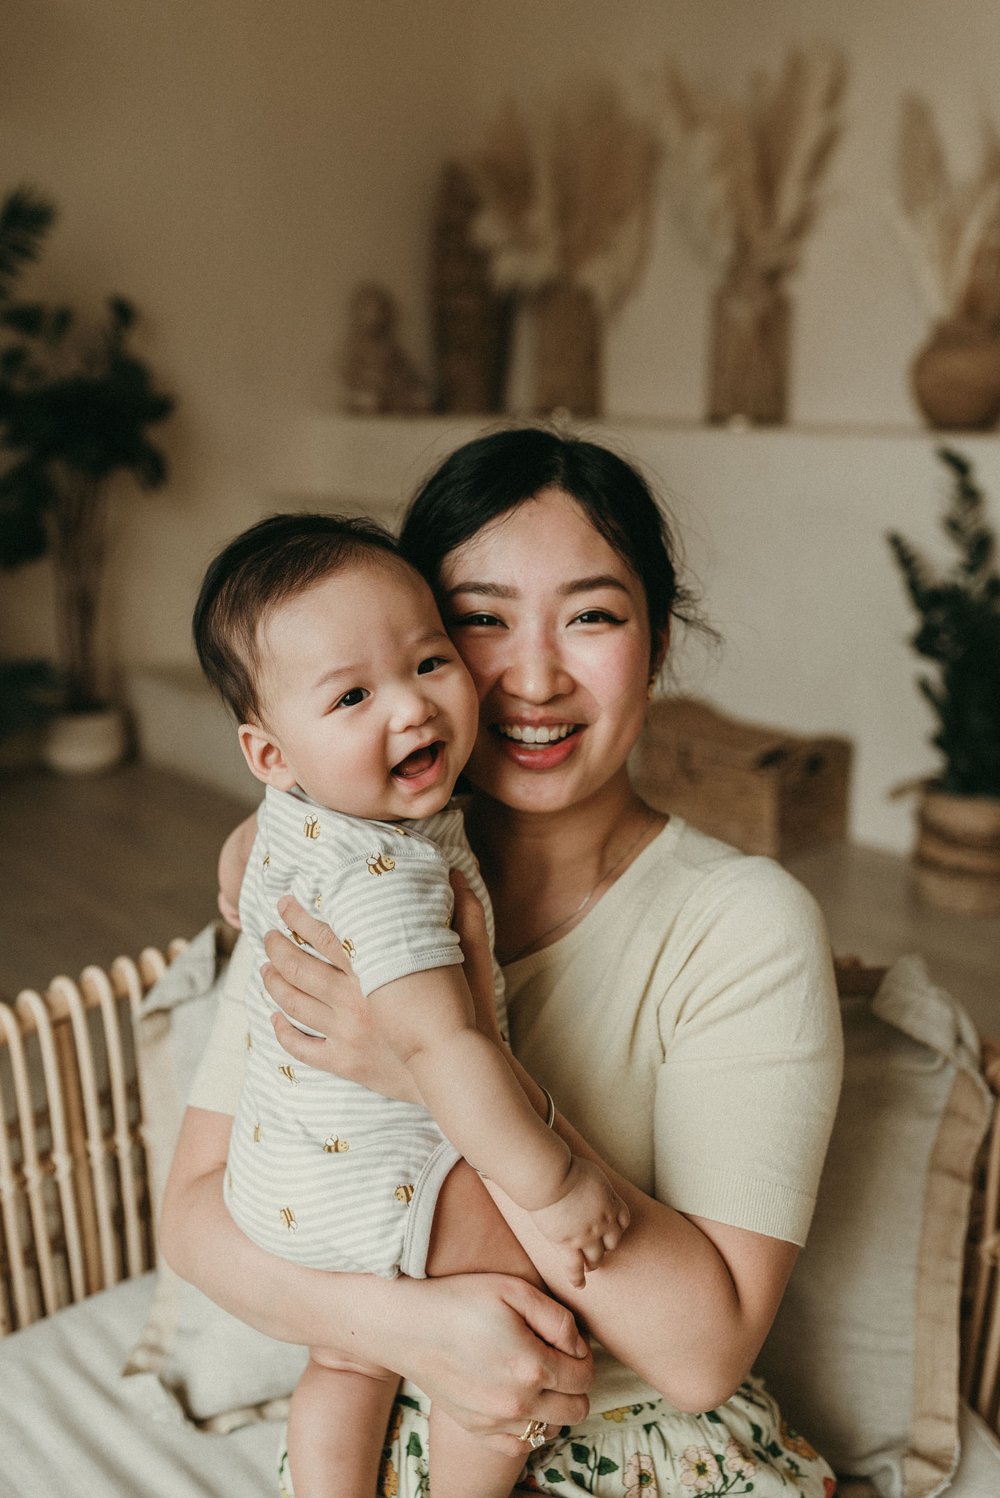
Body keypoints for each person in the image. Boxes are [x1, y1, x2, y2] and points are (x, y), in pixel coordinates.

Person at [161, 427, 844, 1498]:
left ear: (657, 643)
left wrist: (429, 1064)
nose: (531, 675)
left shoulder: (742, 924)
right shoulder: (335, 871)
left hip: (633, 1452)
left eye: (592, 616)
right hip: (385, 1439)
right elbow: (193, 1216)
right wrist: (405, 1326)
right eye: (479, 619)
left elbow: (703, 1352)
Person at [190, 511, 629, 1498]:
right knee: (511, 1318)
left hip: (276, 1181)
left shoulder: (284, 818)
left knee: (344, 1362)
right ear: (270, 752)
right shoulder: (387, 872)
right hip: (372, 1192)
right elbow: (440, 1048)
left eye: (429, 663)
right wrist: (555, 1188)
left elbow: (249, 848)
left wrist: (235, 860)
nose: (412, 709)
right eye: (352, 694)